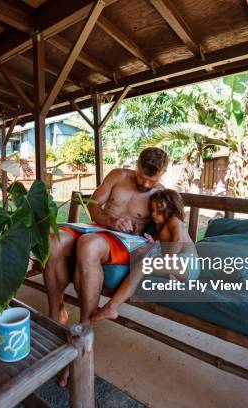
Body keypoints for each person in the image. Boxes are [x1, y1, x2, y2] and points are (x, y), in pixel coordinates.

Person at [43, 147, 169, 386]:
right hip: (97, 227)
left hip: (124, 241)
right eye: (143, 175)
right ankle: (55, 314)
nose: (145, 183)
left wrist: (153, 241)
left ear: (162, 174)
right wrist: (110, 220)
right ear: (137, 164)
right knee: (53, 242)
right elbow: (92, 204)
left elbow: (167, 229)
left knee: (88, 246)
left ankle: (84, 332)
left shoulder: (161, 194)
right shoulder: (118, 176)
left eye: (152, 180)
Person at [91, 189, 198, 322]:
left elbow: (177, 241)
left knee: (144, 265)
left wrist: (165, 262)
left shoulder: (174, 221)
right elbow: (156, 247)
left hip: (187, 263)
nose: (154, 214)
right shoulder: (159, 226)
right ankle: (168, 274)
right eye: (152, 210)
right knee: (143, 263)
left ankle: (112, 307)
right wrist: (142, 240)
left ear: (172, 209)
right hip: (174, 264)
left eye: (159, 210)